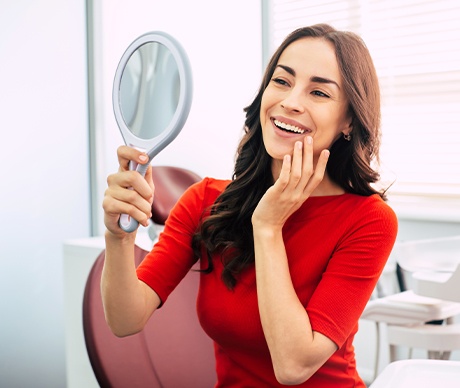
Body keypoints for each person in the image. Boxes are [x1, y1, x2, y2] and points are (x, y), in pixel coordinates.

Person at [102, 23, 398, 387]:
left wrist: (269, 227)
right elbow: (124, 321)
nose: (291, 102)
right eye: (282, 81)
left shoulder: (369, 221)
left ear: (349, 121)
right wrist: (118, 239)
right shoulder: (205, 201)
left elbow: (293, 366)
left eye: (318, 92)